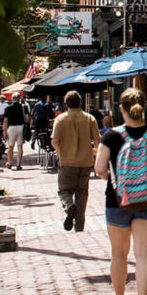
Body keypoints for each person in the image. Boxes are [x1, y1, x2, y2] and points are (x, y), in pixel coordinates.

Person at [96, 88, 147, 295]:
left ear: (121, 109)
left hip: (117, 201)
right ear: (144, 109)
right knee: (144, 255)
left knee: (119, 255)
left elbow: (99, 168)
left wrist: (115, 178)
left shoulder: (111, 136)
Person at [52, 90, 101, 232]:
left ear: (66, 103)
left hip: (67, 162)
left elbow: (54, 140)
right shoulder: (89, 118)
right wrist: (96, 151)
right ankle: (79, 226)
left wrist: (60, 151)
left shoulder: (60, 119)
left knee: (64, 190)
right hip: (85, 162)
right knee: (82, 193)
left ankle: (69, 206)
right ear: (80, 102)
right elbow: (97, 139)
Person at [2, 93, 27, 170]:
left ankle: (9, 163)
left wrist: (5, 132)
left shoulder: (8, 108)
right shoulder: (24, 107)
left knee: (10, 146)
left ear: (12, 99)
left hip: (11, 127)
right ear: (19, 98)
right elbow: (28, 118)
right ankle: (18, 164)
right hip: (21, 127)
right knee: (20, 146)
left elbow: (5, 121)